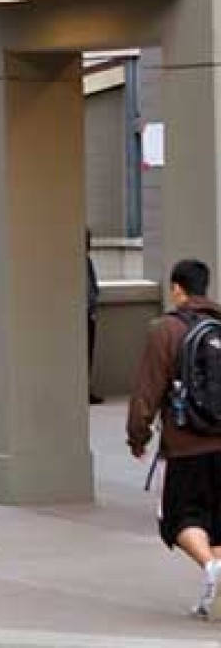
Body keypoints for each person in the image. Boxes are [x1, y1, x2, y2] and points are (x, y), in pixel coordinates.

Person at [127, 259, 221, 619]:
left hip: (186, 444)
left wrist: (137, 437)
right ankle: (214, 592)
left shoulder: (165, 329)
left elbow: (146, 391)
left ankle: (209, 568)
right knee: (216, 521)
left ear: (178, 289)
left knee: (180, 518)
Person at [87, 230, 103, 405]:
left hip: (89, 313)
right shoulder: (82, 262)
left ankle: (87, 388)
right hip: (85, 314)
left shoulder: (87, 261)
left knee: (89, 354)